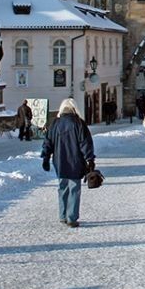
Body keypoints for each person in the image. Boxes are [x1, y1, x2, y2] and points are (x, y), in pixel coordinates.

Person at [41, 98, 94, 228]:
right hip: (75, 162)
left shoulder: (55, 124)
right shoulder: (79, 124)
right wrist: (90, 159)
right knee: (74, 189)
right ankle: (72, 217)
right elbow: (85, 143)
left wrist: (45, 158)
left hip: (59, 161)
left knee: (62, 188)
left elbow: (48, 142)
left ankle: (63, 215)